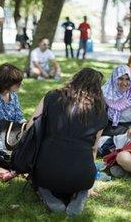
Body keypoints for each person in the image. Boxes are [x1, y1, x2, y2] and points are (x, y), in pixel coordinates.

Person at [29, 68, 108, 216]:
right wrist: (90, 179)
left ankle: (49, 196)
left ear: (75, 79)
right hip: (82, 175)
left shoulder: (51, 96)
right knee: (80, 181)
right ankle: (81, 193)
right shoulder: (101, 111)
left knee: (40, 181)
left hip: (46, 170)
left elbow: (30, 127)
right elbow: (93, 150)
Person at [98, 65, 131, 158]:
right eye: (120, 79)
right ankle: (118, 155)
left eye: (127, 79)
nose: (124, 83)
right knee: (99, 143)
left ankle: (115, 154)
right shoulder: (105, 92)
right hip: (109, 131)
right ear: (114, 78)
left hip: (129, 132)